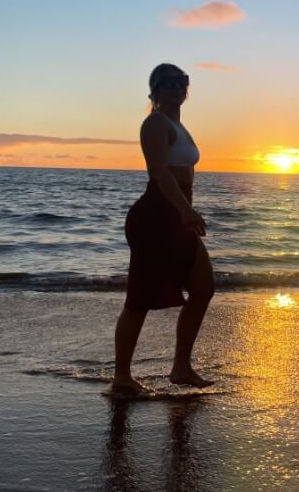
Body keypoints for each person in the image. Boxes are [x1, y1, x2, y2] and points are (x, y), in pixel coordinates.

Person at [109, 63, 215, 395]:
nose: (175, 88)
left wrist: (186, 208)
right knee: (139, 298)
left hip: (177, 213)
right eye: (166, 83)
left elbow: (184, 175)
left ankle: (181, 367)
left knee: (203, 287)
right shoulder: (155, 122)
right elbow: (159, 171)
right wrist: (185, 210)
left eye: (181, 82)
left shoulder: (178, 125)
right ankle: (122, 377)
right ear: (153, 92)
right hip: (156, 216)